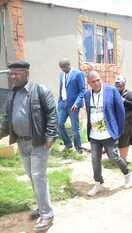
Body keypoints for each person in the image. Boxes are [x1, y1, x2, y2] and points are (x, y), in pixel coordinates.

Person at [0, 61, 57, 232]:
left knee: (39, 176)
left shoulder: (40, 91)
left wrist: (50, 136)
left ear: (26, 73)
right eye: (11, 74)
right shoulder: (12, 94)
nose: (12, 76)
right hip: (21, 142)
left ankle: (47, 214)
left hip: (38, 142)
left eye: (16, 73)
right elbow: (5, 119)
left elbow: (52, 114)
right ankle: (41, 207)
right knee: (33, 178)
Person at [84, 71, 132, 196]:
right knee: (95, 159)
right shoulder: (87, 95)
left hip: (108, 133)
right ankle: (98, 183)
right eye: (92, 81)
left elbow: (120, 112)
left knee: (114, 157)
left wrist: (118, 130)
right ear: (88, 83)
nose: (96, 83)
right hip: (94, 134)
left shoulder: (111, 91)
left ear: (101, 79)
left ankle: (127, 174)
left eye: (97, 80)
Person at [57, 59, 85, 153]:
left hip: (73, 106)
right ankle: (68, 144)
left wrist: (76, 103)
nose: (63, 70)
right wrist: (59, 102)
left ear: (69, 65)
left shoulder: (78, 74)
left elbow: (82, 91)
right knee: (59, 124)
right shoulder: (61, 74)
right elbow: (62, 89)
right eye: (61, 68)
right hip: (63, 104)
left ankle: (79, 148)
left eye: (64, 67)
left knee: (75, 128)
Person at [115, 75, 132, 162]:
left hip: (128, 123)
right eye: (116, 84)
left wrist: (124, 101)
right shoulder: (115, 93)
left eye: (120, 84)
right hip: (117, 122)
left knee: (124, 141)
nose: (118, 86)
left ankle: (123, 160)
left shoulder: (130, 94)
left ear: (124, 84)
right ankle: (117, 159)